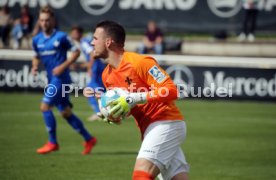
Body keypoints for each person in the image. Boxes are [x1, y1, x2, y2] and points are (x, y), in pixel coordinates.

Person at [92, 21, 189, 180]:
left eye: (95, 38)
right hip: (149, 129)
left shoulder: (140, 62)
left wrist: (135, 98)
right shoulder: (106, 76)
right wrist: (112, 113)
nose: (91, 42)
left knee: (141, 175)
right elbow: (128, 107)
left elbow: (172, 90)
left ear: (108, 42)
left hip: (165, 123)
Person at [31, 6, 96, 155]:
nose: (44, 23)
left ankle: (52, 142)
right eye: (41, 20)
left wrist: (63, 66)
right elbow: (35, 55)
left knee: (45, 107)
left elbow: (76, 51)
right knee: (66, 113)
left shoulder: (61, 37)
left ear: (53, 20)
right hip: (51, 79)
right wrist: (34, 66)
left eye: (47, 20)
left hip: (62, 79)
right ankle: (89, 139)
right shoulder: (37, 40)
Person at [70, 26, 106, 121]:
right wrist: (79, 66)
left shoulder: (84, 42)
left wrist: (90, 68)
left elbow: (92, 55)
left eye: (75, 33)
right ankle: (105, 111)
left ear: (80, 33)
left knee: (89, 91)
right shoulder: (85, 41)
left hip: (96, 66)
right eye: (72, 33)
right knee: (99, 90)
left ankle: (100, 112)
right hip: (98, 65)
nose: (73, 35)